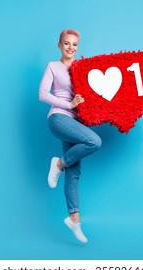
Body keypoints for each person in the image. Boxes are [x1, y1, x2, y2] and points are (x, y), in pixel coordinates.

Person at [39, 29, 102, 243]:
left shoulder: (82, 68)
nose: (71, 48)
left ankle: (74, 220)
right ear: (59, 45)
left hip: (75, 123)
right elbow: (42, 94)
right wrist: (69, 104)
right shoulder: (53, 67)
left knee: (74, 172)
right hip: (58, 118)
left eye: (74, 44)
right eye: (66, 43)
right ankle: (58, 164)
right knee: (94, 141)